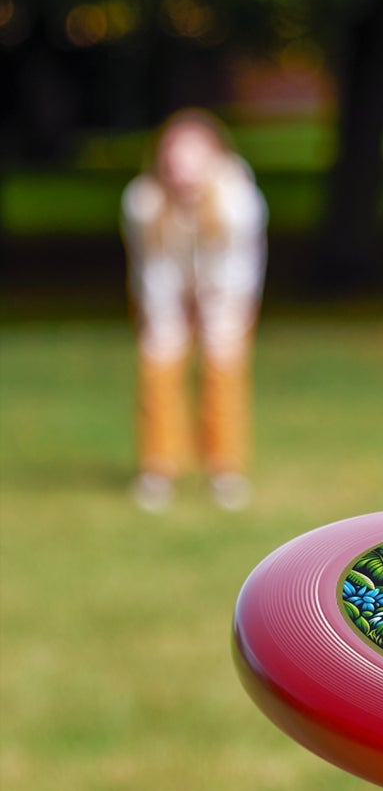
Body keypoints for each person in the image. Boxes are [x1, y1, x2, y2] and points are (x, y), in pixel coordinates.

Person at [121, 109, 268, 512]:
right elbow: (152, 268)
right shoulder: (143, 201)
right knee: (158, 365)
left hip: (226, 293)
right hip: (165, 292)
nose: (182, 169)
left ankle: (225, 470)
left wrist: (215, 311)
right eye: (174, 158)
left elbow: (239, 268)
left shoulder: (239, 200)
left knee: (223, 369)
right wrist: (168, 317)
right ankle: (158, 468)